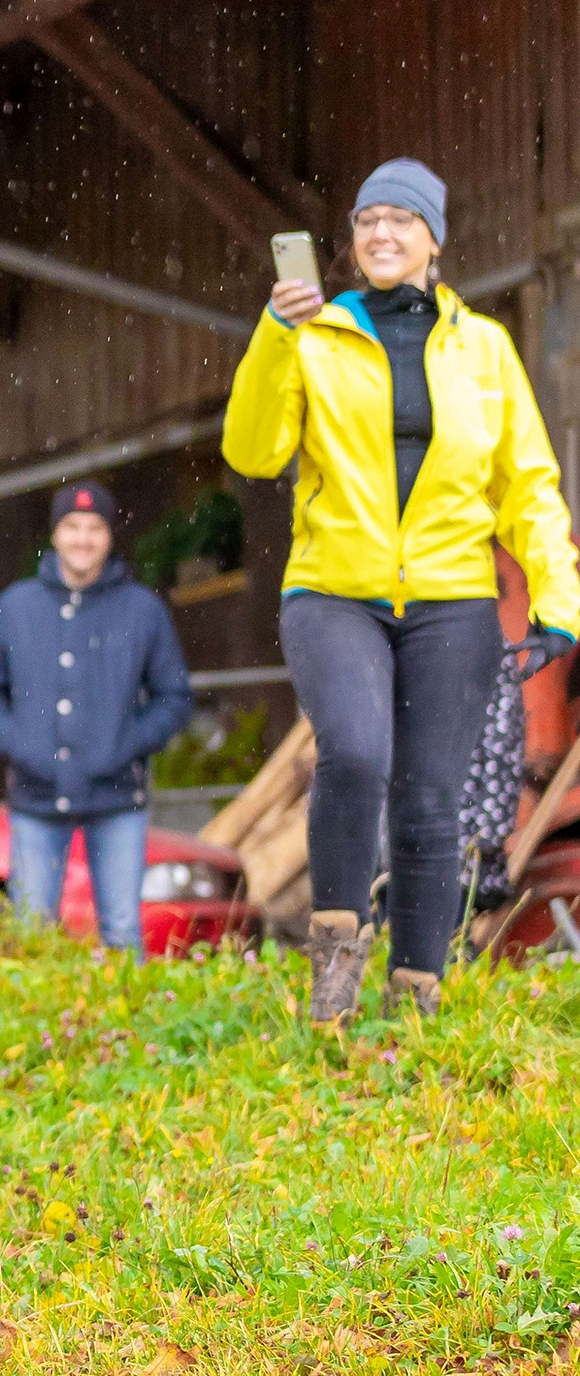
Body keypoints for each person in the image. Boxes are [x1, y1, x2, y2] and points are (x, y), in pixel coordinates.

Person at [225, 157, 580, 1021]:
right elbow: (253, 450)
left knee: (431, 799)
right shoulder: (313, 336)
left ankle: (417, 989)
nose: (382, 234)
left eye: (402, 220)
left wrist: (559, 600)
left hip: (451, 601)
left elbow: (528, 486)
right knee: (354, 749)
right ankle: (338, 957)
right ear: (351, 243)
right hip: (334, 591)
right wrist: (274, 332)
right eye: (368, 221)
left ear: (434, 242)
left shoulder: (484, 349)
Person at [0, 480, 192, 950]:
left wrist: (124, 745)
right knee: (30, 936)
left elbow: (174, 698)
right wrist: (22, 747)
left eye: (94, 527)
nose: (83, 538)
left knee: (124, 933)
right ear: (55, 535)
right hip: (34, 796)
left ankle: (129, 1024)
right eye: (72, 526)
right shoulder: (15, 606)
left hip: (117, 797)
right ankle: (31, 1025)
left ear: (109, 537)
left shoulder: (142, 610)